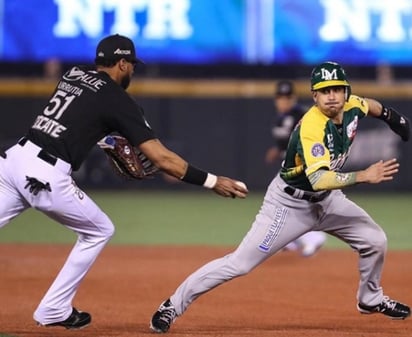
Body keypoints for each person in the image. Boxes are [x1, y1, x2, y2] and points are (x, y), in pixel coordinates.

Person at [0, 34, 248, 330]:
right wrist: (212, 181)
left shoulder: (74, 74)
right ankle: (54, 308)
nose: (132, 70)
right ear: (121, 63)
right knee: (99, 230)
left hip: (12, 160)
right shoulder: (118, 100)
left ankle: (55, 307)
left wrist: (107, 140)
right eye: (131, 64)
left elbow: (80, 116)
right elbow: (162, 159)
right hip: (44, 175)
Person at [150, 61, 411, 333]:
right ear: (314, 96)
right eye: (324, 91)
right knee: (239, 264)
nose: (332, 95)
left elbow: (371, 105)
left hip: (328, 199)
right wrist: (363, 176)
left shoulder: (352, 105)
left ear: (346, 92)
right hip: (289, 205)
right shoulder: (312, 126)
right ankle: (172, 305)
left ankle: (370, 299)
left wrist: (394, 118)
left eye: (337, 89)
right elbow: (318, 178)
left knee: (375, 240)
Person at [265, 80, 327, 257]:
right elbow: (286, 142)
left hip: (301, 168)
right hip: (288, 165)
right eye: (280, 97)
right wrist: (276, 150)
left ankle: (313, 238)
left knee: (285, 202)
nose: (283, 101)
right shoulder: (280, 118)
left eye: (287, 97)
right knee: (284, 204)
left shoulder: (302, 114)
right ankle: (291, 241)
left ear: (293, 98)